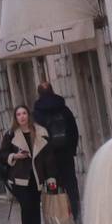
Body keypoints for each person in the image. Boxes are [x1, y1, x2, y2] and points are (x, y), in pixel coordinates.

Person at [1, 105, 49, 224]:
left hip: (36, 177)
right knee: (26, 209)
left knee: (35, 209)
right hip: (20, 179)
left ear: (29, 115)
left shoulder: (40, 132)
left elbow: (48, 156)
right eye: (18, 114)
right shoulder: (10, 135)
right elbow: (2, 155)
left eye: (24, 113)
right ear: (15, 118)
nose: (22, 117)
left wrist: (51, 176)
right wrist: (15, 156)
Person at [33, 79, 82, 214]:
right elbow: (73, 130)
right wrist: (71, 150)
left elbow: (36, 136)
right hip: (65, 154)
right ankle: (77, 215)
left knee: (54, 185)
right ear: (52, 90)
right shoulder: (64, 109)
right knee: (71, 184)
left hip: (49, 157)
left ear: (39, 93)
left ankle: (59, 216)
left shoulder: (37, 113)